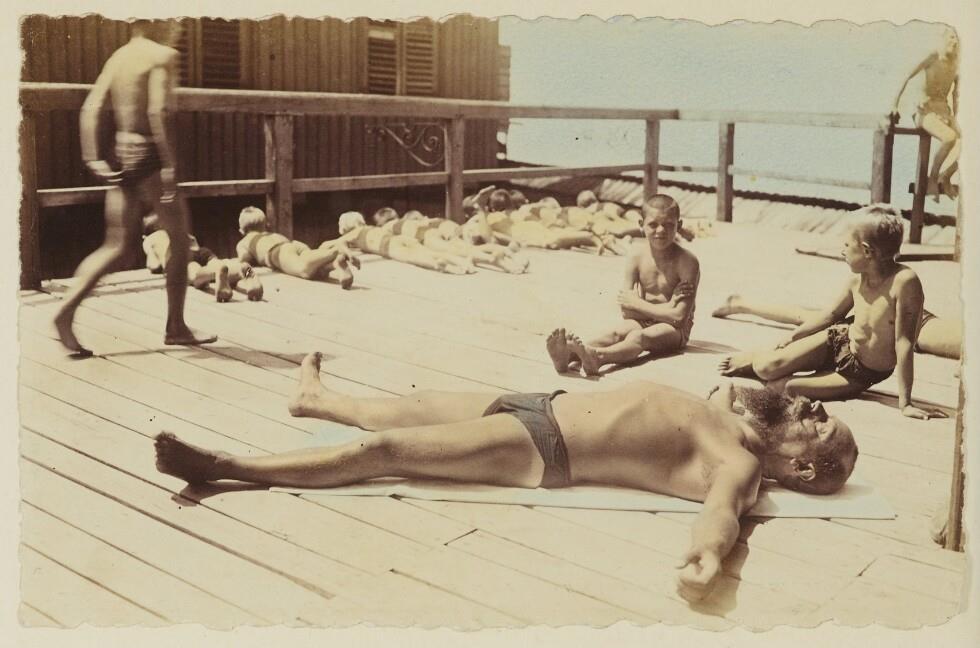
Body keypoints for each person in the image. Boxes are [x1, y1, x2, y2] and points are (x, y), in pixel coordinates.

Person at [156, 351, 859, 605]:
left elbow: (723, 514)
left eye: (823, 424)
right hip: (543, 403)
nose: (813, 408)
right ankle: (315, 400)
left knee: (388, 447)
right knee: (406, 405)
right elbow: (759, 379)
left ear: (803, 467)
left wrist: (707, 556)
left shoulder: (739, 463)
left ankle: (223, 467)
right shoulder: (736, 415)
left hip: (544, 443)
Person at [53, 18, 216, 356]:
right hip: (150, 155)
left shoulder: (120, 56)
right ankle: (176, 327)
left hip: (122, 151)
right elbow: (158, 112)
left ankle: (65, 310)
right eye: (173, 21)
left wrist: (92, 157)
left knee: (117, 245)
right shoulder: (163, 56)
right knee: (180, 241)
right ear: (157, 21)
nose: (177, 27)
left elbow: (90, 108)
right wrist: (169, 165)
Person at [717, 205, 947, 420]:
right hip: (838, 341)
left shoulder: (904, 282)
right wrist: (794, 336)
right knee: (765, 368)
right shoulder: (857, 280)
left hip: (860, 373)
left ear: (867, 251)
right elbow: (830, 315)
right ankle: (755, 359)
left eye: (847, 245)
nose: (842, 250)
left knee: (784, 388)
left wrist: (906, 403)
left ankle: (791, 370)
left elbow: (904, 343)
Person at [548, 195, 699, 376]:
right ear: (641, 225)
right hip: (644, 321)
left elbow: (679, 318)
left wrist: (637, 304)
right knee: (615, 333)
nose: (660, 230)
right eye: (653, 224)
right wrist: (668, 307)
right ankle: (569, 357)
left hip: (675, 331)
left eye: (668, 224)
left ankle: (598, 358)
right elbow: (627, 312)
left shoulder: (687, 262)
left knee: (639, 336)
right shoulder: (636, 257)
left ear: (679, 225)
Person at [711, 294, 961, 360]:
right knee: (812, 319)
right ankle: (742, 304)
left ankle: (744, 304)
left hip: (910, 326)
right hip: (905, 325)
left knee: (811, 317)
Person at [892, 29, 960, 201]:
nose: (955, 42)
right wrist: (894, 105)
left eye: (958, 39)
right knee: (950, 137)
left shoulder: (956, 64)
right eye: (952, 37)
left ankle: (945, 176)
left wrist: (956, 116)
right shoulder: (932, 56)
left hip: (943, 111)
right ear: (942, 38)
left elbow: (956, 94)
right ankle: (932, 179)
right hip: (924, 110)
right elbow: (906, 75)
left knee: (973, 143)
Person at [143, 215, 264, 302]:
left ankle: (216, 272)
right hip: (200, 251)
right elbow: (194, 242)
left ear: (145, 234)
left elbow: (154, 265)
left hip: (179, 256)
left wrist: (154, 262)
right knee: (219, 265)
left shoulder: (150, 239)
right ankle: (243, 270)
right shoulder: (177, 232)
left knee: (195, 275)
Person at [236, 206, 358, 288]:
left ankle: (335, 251)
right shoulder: (272, 234)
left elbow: (244, 261)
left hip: (277, 252)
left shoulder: (244, 242)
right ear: (265, 225)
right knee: (316, 269)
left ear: (242, 230)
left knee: (304, 271)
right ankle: (335, 263)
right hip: (294, 244)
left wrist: (246, 265)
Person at [381, 210, 529, 274]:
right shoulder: (422, 220)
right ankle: (508, 255)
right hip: (440, 230)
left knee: (457, 251)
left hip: (426, 236)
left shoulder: (392, 225)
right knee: (464, 247)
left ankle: (493, 260)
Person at [336, 210, 475, 275]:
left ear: (345, 228)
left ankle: (448, 268)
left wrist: (349, 253)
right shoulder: (370, 228)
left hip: (388, 247)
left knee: (417, 258)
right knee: (429, 252)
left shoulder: (353, 234)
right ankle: (462, 262)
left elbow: (339, 243)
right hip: (398, 238)